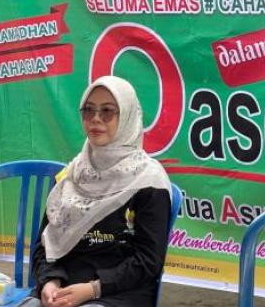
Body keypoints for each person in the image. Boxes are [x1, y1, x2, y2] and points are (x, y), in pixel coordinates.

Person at [26, 76, 172, 307]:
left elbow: (148, 261)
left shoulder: (149, 181)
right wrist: (49, 281)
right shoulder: (72, 176)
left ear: (127, 117)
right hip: (63, 290)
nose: (95, 118)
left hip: (119, 294)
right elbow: (44, 245)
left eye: (107, 111)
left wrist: (92, 289)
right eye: (89, 110)